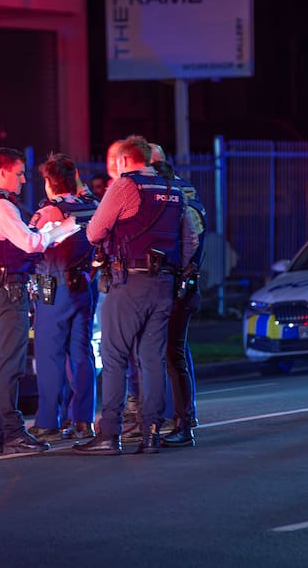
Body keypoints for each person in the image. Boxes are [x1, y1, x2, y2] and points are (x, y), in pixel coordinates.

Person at [74, 135, 197, 456]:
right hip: (164, 285)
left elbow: (93, 232)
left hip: (129, 281)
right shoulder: (173, 189)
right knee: (152, 359)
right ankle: (152, 433)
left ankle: (109, 435)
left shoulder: (125, 186)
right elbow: (191, 241)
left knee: (115, 356)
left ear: (125, 161)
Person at [0, 147, 80, 455]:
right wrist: (64, 228)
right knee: (9, 365)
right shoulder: (1, 207)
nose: (22, 180)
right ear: (3, 172)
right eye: (18, 174)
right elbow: (30, 243)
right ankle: (14, 432)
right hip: (9, 293)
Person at [27, 153, 98, 442]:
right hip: (84, 285)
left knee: (50, 356)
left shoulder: (49, 211)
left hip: (54, 289)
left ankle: (47, 422)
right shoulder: (91, 206)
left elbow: (29, 244)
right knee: (81, 355)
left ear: (48, 182)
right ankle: (83, 420)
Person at [150, 144, 206, 447]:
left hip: (177, 288)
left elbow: (190, 244)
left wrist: (177, 273)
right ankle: (182, 419)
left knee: (173, 354)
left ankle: (183, 422)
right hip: (181, 285)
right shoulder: (187, 195)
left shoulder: (177, 200)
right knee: (175, 353)